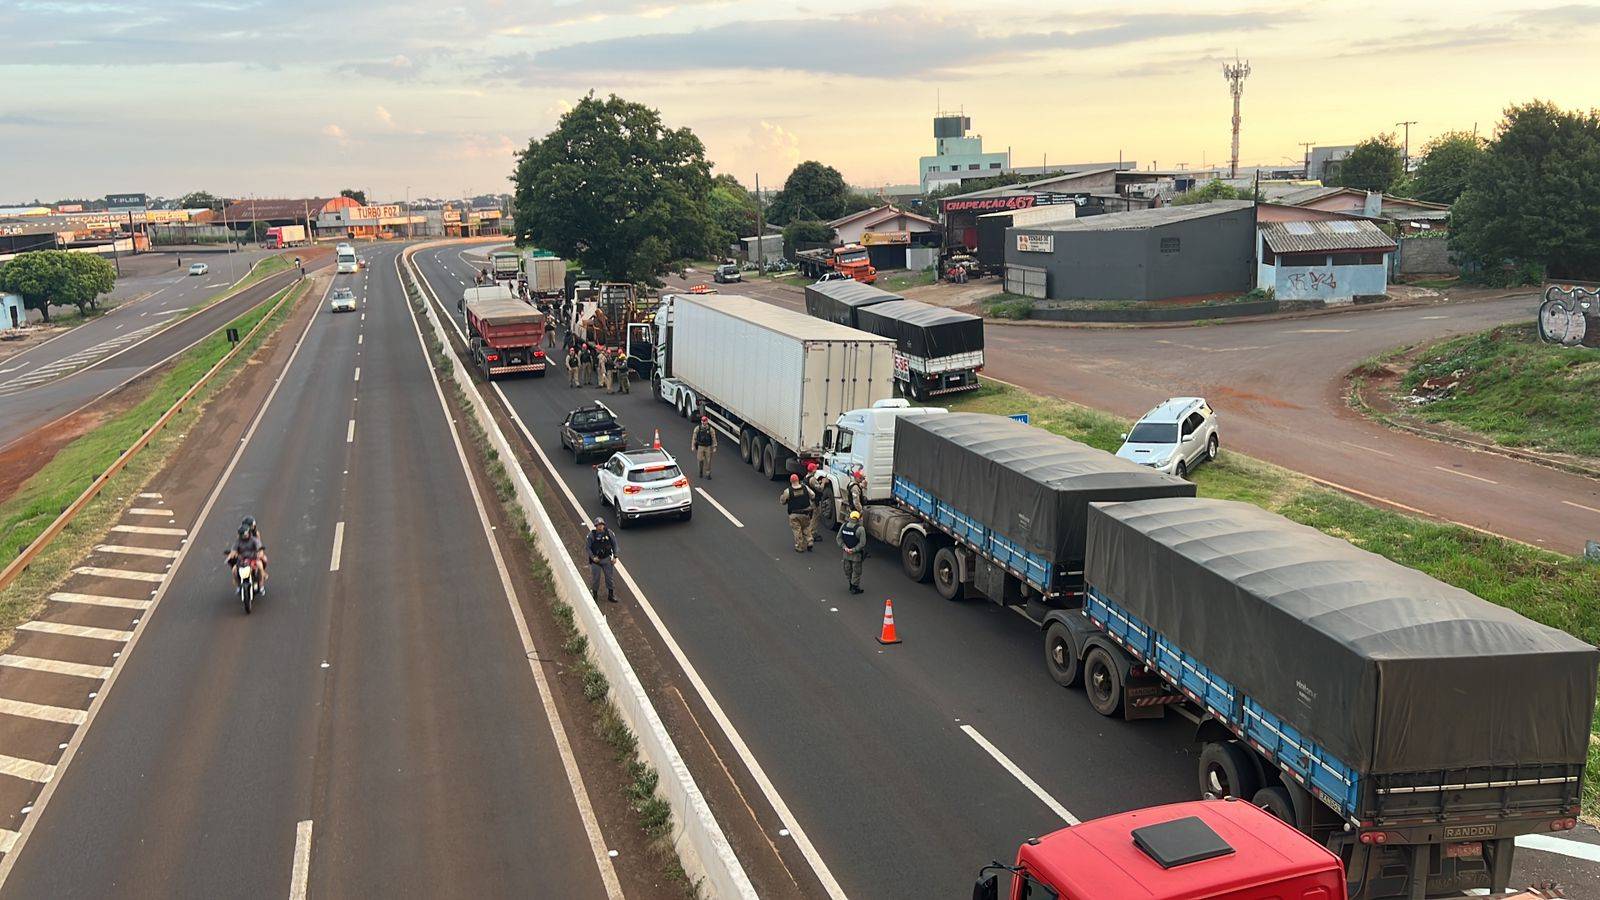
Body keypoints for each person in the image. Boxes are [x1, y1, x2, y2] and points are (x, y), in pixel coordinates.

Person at [778, 473, 816, 552]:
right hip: (806, 512)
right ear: (798, 480)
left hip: (794, 514)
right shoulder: (805, 487)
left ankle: (799, 546)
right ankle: (809, 541)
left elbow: (783, 501)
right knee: (806, 527)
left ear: (791, 481)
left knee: (797, 530)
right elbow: (812, 495)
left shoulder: (788, 491)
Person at [224, 524, 266, 594]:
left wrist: (259, 553)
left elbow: (259, 549)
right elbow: (233, 550)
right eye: (243, 535)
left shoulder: (254, 540)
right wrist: (231, 555)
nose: (245, 536)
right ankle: (238, 586)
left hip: (253, 559)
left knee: (260, 566)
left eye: (245, 534)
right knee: (234, 570)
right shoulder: (238, 542)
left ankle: (261, 586)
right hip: (242, 561)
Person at [586, 516, 619, 602]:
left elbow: (615, 544)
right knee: (596, 578)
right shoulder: (591, 535)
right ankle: (595, 595)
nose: (600, 527)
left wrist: (615, 556)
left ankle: (611, 595)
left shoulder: (609, 533)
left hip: (606, 559)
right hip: (596, 561)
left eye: (601, 525)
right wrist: (593, 557)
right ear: (595, 526)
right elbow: (588, 548)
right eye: (598, 525)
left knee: (609, 578)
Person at [836, 510, 867, 594]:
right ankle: (854, 588)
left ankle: (850, 584)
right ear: (858, 518)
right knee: (856, 571)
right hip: (856, 555)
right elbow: (862, 543)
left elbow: (838, 538)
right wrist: (853, 550)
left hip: (845, 554)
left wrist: (845, 547)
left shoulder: (844, 526)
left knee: (848, 570)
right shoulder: (860, 529)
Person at [807, 462, 831, 535]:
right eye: (815, 469)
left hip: (809, 500)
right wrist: (823, 482)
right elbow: (820, 489)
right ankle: (812, 533)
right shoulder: (812, 479)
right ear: (813, 470)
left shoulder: (807, 477)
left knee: (811, 517)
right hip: (814, 501)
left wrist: (819, 482)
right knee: (815, 516)